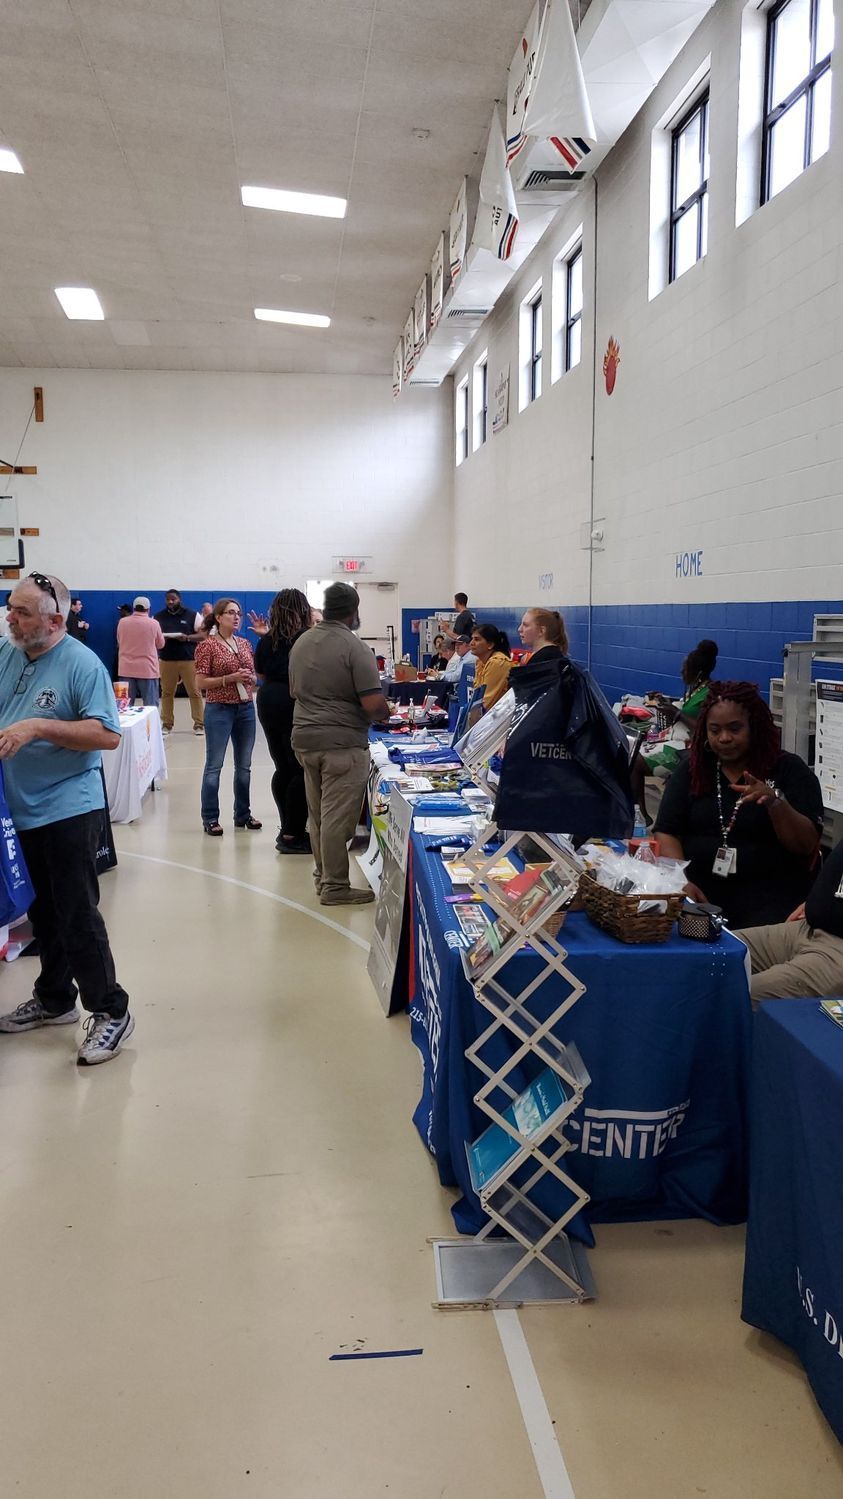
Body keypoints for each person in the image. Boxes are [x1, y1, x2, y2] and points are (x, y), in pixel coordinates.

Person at [0, 572, 133, 1065]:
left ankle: (110, 1010)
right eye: (10, 608)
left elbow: (106, 735)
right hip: (20, 807)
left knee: (77, 912)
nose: (11, 618)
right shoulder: (8, 653)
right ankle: (55, 999)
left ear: (55, 620)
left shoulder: (82, 664)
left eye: (22, 612)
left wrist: (36, 726)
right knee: (44, 913)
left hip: (68, 807)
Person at [655, 681, 823, 929]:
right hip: (702, 900)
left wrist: (775, 804)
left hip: (771, 905)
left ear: (754, 726)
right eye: (715, 730)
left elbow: (806, 844)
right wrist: (679, 879)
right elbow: (667, 830)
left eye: (735, 729)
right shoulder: (695, 770)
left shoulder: (788, 770)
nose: (724, 738)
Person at [288, 582, 390, 906]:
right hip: (342, 743)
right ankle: (335, 885)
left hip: (305, 738)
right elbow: (373, 704)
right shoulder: (354, 647)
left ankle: (323, 874)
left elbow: (296, 690)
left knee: (318, 814)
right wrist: (388, 714)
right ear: (354, 611)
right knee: (336, 818)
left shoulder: (302, 642)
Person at [736, 840, 843, 1002]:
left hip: (836, 949)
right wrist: (822, 898)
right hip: (807, 926)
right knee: (711, 950)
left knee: (739, 995)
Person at [250, 589, 313, 855]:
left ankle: (288, 826)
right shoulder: (307, 639)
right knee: (300, 768)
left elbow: (260, 672)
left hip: (267, 698)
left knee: (282, 767)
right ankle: (292, 833)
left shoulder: (267, 640)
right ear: (303, 610)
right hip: (292, 699)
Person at [194, 599, 261, 837]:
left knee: (244, 766)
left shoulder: (244, 644)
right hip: (219, 709)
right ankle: (210, 817)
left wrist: (251, 679)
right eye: (231, 613)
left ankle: (242, 813)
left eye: (238, 613)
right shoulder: (208, 646)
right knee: (214, 765)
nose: (236, 617)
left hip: (245, 709)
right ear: (219, 617)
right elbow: (200, 683)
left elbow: (253, 675)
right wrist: (229, 678)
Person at [630, 639, 719, 817]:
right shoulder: (696, 689)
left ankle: (641, 816)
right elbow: (686, 710)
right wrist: (664, 703)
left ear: (698, 672)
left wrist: (676, 713)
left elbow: (704, 728)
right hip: (677, 739)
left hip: (691, 748)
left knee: (635, 763)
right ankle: (638, 812)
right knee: (632, 751)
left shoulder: (710, 693)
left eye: (685, 668)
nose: (681, 671)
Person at [154, 589, 204, 736]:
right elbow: (154, 637)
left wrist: (187, 638)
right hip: (167, 659)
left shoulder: (193, 615)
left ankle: (199, 724)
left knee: (194, 692)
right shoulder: (158, 617)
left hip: (188, 659)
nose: (170, 602)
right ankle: (167, 724)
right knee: (167, 693)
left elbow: (203, 635)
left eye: (173, 599)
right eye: (168, 599)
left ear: (179, 599)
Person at [116, 596, 165, 706]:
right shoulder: (154, 623)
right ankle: (150, 724)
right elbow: (161, 644)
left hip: (125, 669)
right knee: (151, 705)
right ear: (148, 609)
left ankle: (123, 723)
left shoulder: (122, 622)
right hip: (148, 670)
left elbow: (119, 640)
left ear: (134, 608)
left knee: (123, 706)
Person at [470, 624, 512, 711]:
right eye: (472, 638)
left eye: (477, 639)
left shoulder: (498, 662)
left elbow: (486, 702)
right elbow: (477, 695)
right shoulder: (479, 661)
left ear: (490, 645)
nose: (471, 643)